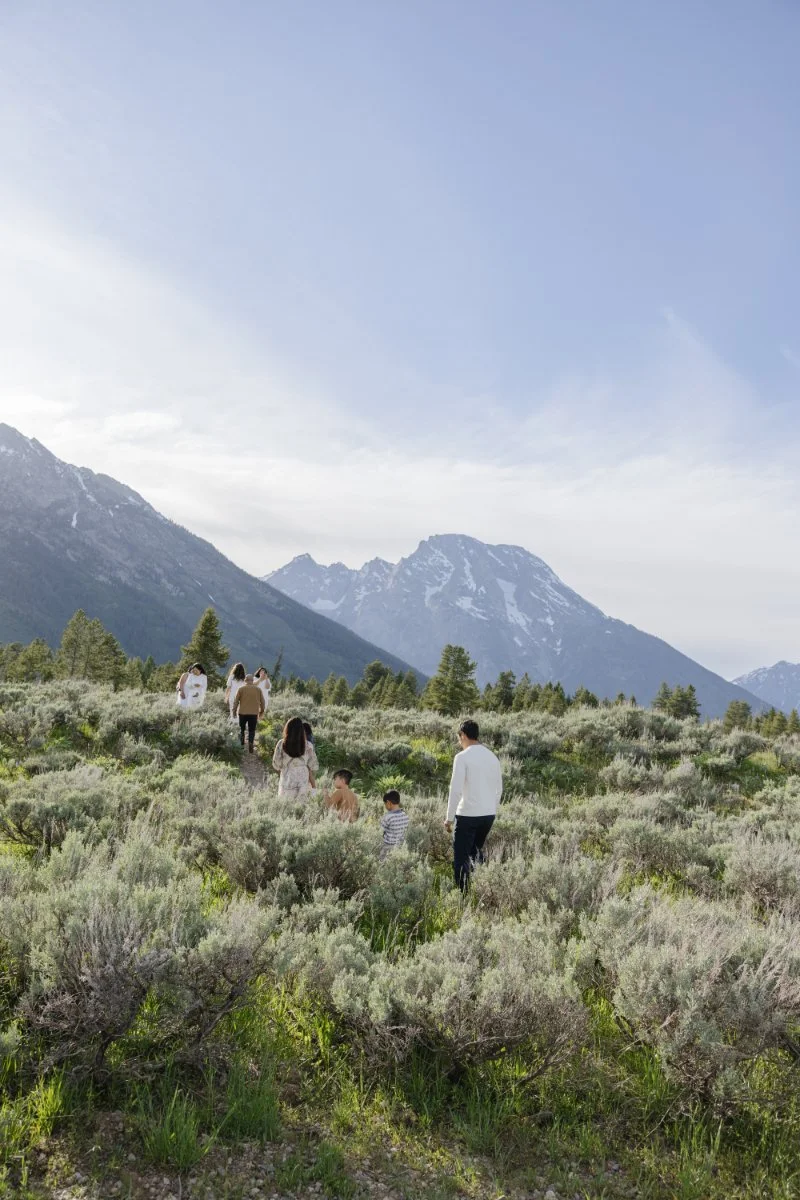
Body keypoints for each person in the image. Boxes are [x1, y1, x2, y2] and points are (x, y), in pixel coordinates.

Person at [444, 719, 502, 892]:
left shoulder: (462, 757)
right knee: (475, 853)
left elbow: (455, 790)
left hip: (468, 815)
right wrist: (492, 809)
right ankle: (484, 888)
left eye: (458, 737)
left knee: (461, 858)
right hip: (488, 815)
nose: (459, 742)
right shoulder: (492, 756)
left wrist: (449, 818)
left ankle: (463, 898)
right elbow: (499, 788)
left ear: (463, 735)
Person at [272, 716, 319, 798]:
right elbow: (314, 766)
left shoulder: (281, 744)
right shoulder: (308, 745)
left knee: (284, 807)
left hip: (286, 780)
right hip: (303, 781)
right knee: (300, 808)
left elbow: (276, 765)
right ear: (302, 730)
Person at [233, 673, 265, 752]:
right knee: (252, 730)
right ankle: (250, 742)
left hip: (242, 713)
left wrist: (234, 711)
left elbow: (236, 701)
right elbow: (263, 702)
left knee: (242, 729)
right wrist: (262, 711)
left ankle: (241, 745)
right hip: (254, 713)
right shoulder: (258, 690)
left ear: (245, 680)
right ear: (252, 680)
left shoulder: (241, 689)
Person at [380, 790, 409, 860]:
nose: (385, 806)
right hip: (401, 847)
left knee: (381, 864)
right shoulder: (405, 815)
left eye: (385, 804)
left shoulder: (388, 817)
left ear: (388, 802)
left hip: (388, 847)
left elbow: (379, 832)